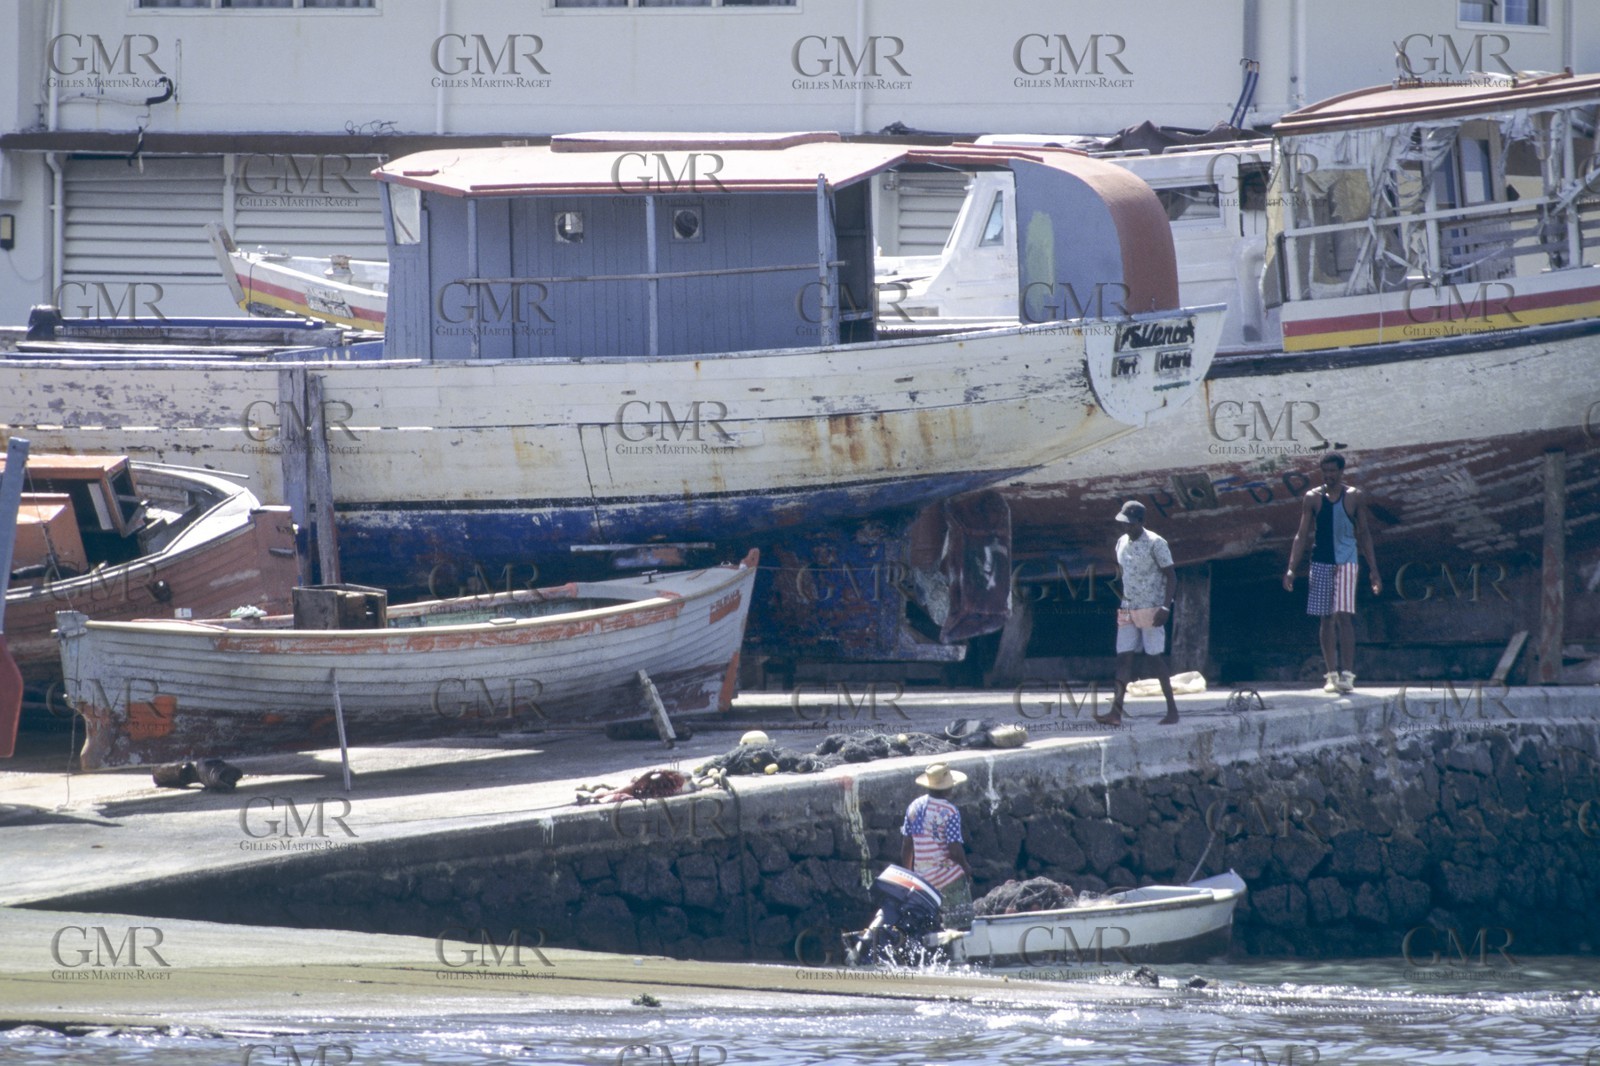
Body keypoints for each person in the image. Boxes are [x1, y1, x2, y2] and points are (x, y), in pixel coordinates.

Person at [1283, 452, 1382, 694]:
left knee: (1344, 616)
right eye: (1325, 471)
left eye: (1332, 471)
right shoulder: (1313, 498)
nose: (1328, 475)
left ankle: (1347, 675)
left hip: (1347, 561)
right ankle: (1331, 675)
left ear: (1341, 471)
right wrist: (1291, 568)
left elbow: (1364, 533)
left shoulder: (1354, 496)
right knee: (1326, 618)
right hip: (1321, 561)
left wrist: (1374, 570)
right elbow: (1301, 534)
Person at [1100, 500, 1179, 726]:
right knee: (1123, 657)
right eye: (1124, 523)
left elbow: (1171, 576)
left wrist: (1165, 607)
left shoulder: (1156, 543)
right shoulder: (1121, 542)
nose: (1127, 527)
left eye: (1131, 523)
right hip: (1127, 607)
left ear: (1141, 522)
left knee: (1154, 658)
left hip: (1151, 608)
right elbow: (1124, 574)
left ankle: (1172, 711)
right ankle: (1115, 713)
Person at [901, 762, 972, 924]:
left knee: (932, 926)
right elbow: (954, 850)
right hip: (948, 878)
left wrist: (910, 875)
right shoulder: (950, 811)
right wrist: (965, 866)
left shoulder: (914, 807)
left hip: (924, 880)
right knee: (960, 925)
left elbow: (907, 845)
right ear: (948, 788)